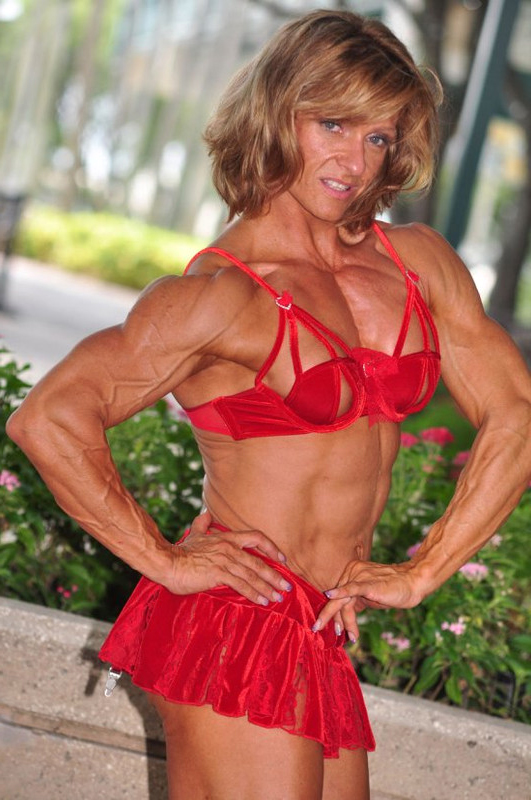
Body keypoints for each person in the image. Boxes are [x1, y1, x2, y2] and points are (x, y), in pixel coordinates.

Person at [7, 9, 531, 800]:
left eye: (378, 137)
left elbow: (516, 415)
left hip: (317, 628)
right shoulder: (222, 294)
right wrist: (164, 560)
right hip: (237, 617)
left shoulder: (416, 263)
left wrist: (423, 572)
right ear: (277, 112)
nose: (354, 160)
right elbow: (47, 417)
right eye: (333, 125)